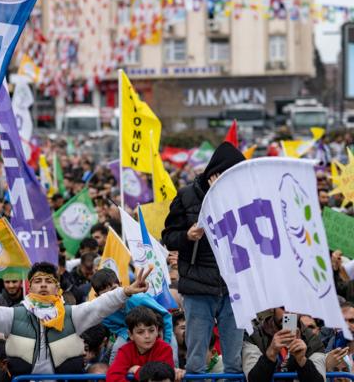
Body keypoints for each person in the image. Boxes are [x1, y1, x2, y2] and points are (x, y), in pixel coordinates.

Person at [0, 261, 152, 377]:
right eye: (38, 281)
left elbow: (99, 305)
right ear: (30, 287)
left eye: (48, 281)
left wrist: (125, 291)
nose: (43, 285)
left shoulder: (73, 314)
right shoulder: (14, 314)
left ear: (57, 287)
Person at [162, 142, 246, 375]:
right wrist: (187, 236)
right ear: (214, 172)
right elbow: (168, 236)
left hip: (234, 288)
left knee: (234, 362)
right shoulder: (187, 195)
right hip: (198, 287)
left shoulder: (244, 197)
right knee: (196, 359)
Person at [242, 308, 325, 381]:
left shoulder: (312, 339)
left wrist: (302, 361)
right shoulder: (253, 335)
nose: (288, 313)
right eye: (283, 307)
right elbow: (253, 379)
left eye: (292, 307)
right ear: (272, 308)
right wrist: (271, 353)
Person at [106, 307, 174, 382]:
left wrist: (138, 370)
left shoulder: (164, 348)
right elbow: (113, 377)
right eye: (140, 332)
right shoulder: (125, 351)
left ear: (157, 330)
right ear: (130, 334)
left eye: (151, 330)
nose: (147, 336)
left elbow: (161, 378)